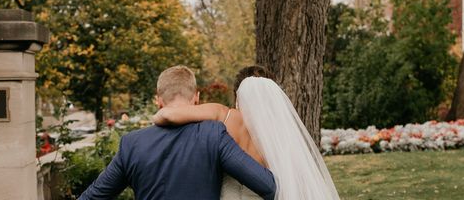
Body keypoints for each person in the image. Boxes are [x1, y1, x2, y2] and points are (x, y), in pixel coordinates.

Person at [78, 65, 276, 200]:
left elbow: (92, 196)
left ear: (158, 100)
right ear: (196, 97)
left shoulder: (131, 144)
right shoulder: (214, 134)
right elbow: (267, 185)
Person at [154, 65, 340, 200]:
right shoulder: (285, 135)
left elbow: (169, 114)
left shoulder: (227, 117)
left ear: (238, 98)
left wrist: (157, 117)